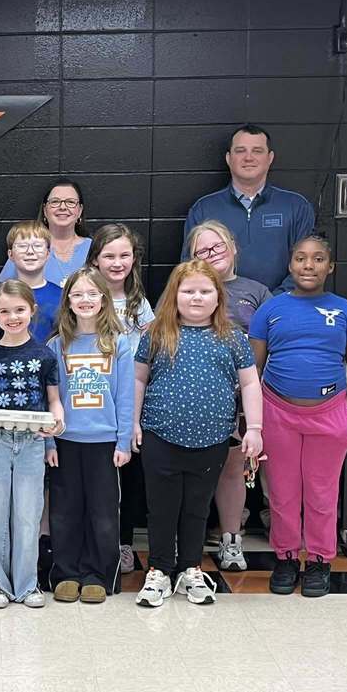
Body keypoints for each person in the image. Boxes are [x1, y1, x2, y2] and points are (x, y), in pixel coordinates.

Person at [133, 260, 263, 608]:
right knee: (161, 508)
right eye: (188, 291)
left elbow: (250, 382)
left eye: (205, 291)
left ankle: (190, 567)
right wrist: (132, 423)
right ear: (174, 295)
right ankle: (159, 571)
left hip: (212, 439)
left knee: (197, 508)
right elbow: (138, 379)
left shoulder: (232, 336)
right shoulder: (157, 334)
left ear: (218, 297)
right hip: (160, 434)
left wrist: (254, 428)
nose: (196, 298)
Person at [249, 235, 347, 598]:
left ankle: (318, 560)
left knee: (321, 492)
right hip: (277, 412)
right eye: (301, 258)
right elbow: (252, 367)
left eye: (318, 259)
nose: (308, 265)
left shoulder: (345, 310)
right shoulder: (270, 310)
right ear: (290, 265)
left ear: (330, 267)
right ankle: (286, 558)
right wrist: (250, 416)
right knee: (283, 492)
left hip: (331, 414)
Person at [0, 280, 62, 609]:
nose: (12, 317)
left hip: (31, 443)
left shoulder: (44, 354)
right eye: (4, 311)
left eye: (19, 310)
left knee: (26, 516)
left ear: (32, 311)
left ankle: (27, 583)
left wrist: (57, 420)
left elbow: (53, 399)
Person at [186, 220, 272, 572]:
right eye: (202, 251)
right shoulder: (182, 286)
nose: (211, 255)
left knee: (232, 470)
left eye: (217, 247)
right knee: (189, 471)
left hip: (240, 395)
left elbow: (271, 345)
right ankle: (184, 539)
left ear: (233, 246)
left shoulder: (257, 291)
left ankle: (230, 539)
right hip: (193, 394)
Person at [44, 268, 133, 604]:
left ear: (103, 299)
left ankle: (98, 574)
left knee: (103, 512)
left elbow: (125, 396)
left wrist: (123, 441)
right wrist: (49, 440)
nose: (85, 300)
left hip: (104, 443)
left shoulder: (118, 343)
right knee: (65, 511)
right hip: (65, 442)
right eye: (77, 294)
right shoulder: (57, 345)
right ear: (68, 301)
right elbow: (50, 400)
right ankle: (66, 573)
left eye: (91, 294)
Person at [85, 223, 155, 576]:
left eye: (124, 255)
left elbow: (149, 356)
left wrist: (136, 415)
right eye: (109, 255)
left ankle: (123, 542)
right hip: (89, 403)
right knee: (90, 477)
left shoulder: (139, 305)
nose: (117, 262)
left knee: (126, 477)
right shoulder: (84, 295)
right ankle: (90, 541)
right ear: (95, 260)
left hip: (126, 402)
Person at [182, 124, 315, 293]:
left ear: (270, 158)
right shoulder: (203, 209)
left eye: (257, 151)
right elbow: (190, 268)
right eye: (240, 151)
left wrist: (271, 304)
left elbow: (307, 266)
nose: (248, 157)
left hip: (283, 310)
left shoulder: (296, 207)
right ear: (229, 158)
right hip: (222, 311)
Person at [0, 180, 92, 287]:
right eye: (55, 202)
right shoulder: (26, 247)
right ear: (45, 210)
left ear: (79, 211)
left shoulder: (92, 248)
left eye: (70, 202)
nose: (63, 207)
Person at [0, 221, 62, 343]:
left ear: (48, 253)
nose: (30, 251)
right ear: (10, 254)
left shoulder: (61, 296)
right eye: (22, 246)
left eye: (37, 245)